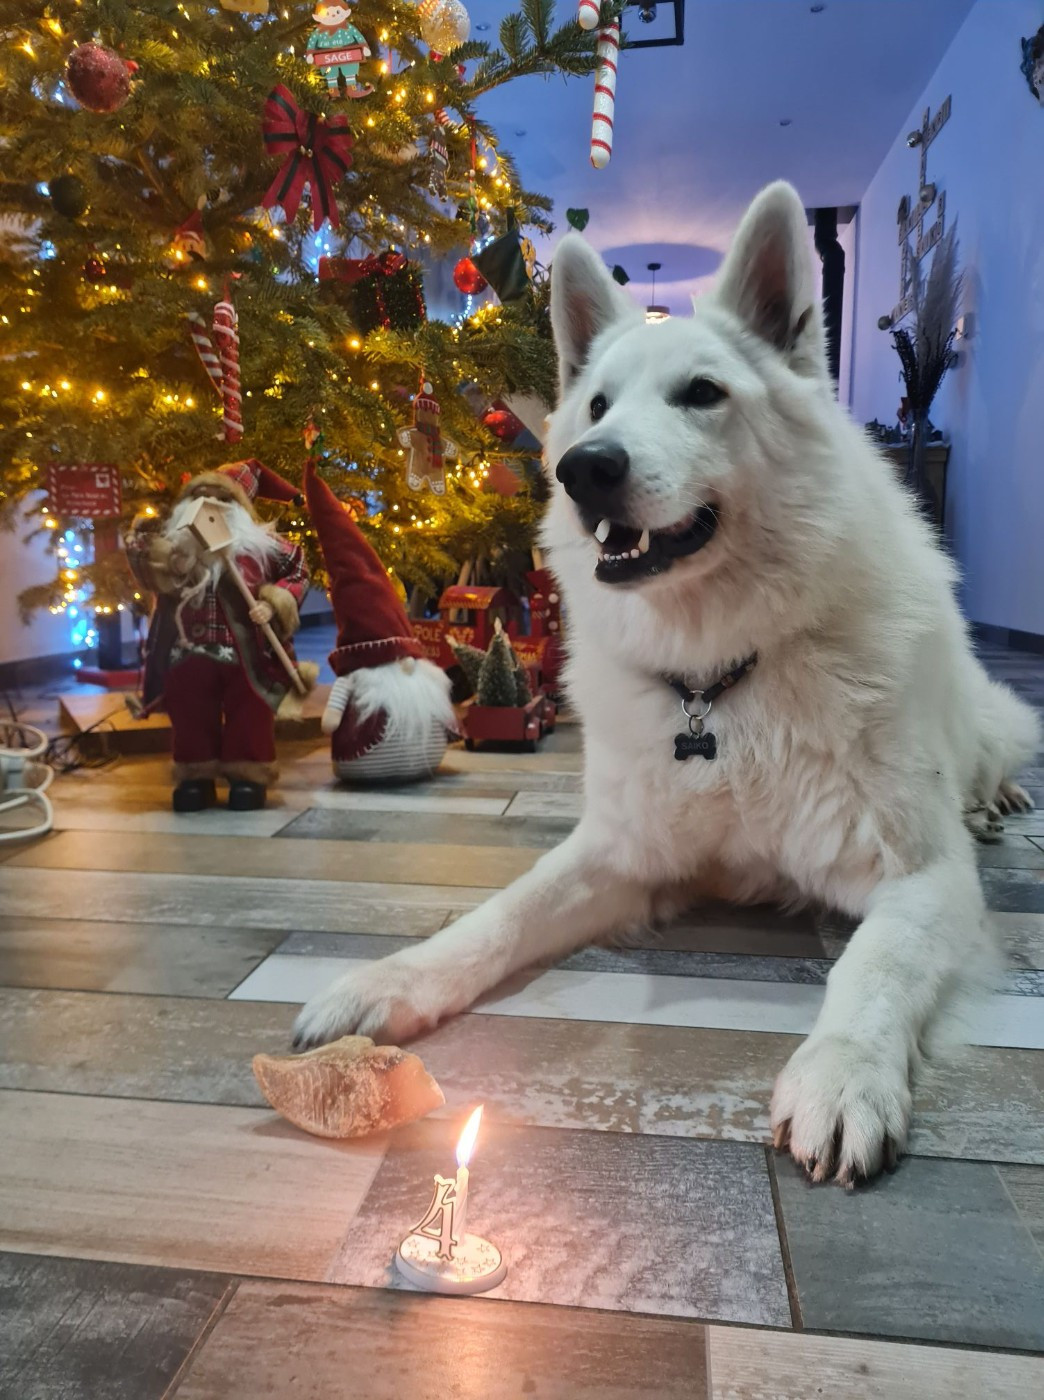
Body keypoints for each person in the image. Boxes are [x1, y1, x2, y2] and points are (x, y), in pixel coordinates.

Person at [125, 460, 314, 811]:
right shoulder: (172, 551)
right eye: (199, 497)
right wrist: (143, 544)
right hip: (187, 650)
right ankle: (195, 777)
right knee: (190, 713)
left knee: (251, 712)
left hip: (248, 653)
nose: (209, 506)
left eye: (221, 499)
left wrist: (275, 603)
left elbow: (298, 570)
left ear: (239, 509)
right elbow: (145, 565)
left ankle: (248, 776)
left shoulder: (266, 547)